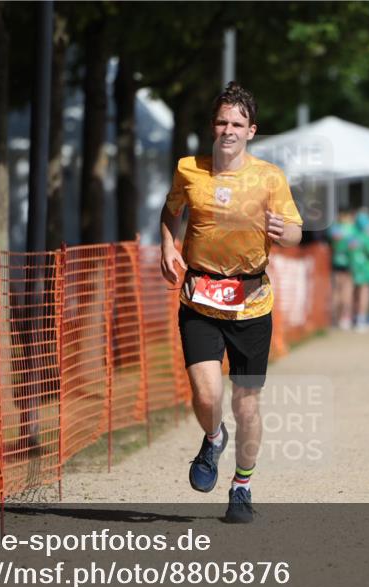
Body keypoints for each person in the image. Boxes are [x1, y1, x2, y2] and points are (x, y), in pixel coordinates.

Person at [159, 82, 303, 522]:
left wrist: (286, 233)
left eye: (238, 123)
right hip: (200, 297)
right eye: (222, 121)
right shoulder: (189, 169)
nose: (229, 130)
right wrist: (167, 245)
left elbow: (297, 232)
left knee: (247, 403)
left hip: (251, 302)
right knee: (206, 393)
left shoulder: (269, 178)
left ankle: (242, 485)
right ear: (212, 126)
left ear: (251, 130)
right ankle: (213, 437)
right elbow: (170, 211)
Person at [349, 209, 369, 332]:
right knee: (363, 292)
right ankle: (360, 319)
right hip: (365, 267)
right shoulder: (368, 234)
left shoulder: (352, 232)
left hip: (352, 266)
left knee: (354, 292)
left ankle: (352, 317)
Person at [329, 210, 356, 329]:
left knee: (337, 291)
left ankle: (335, 317)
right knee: (347, 290)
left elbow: (332, 241)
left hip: (336, 261)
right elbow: (355, 245)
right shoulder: (352, 229)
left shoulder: (335, 228)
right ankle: (345, 317)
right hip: (349, 262)